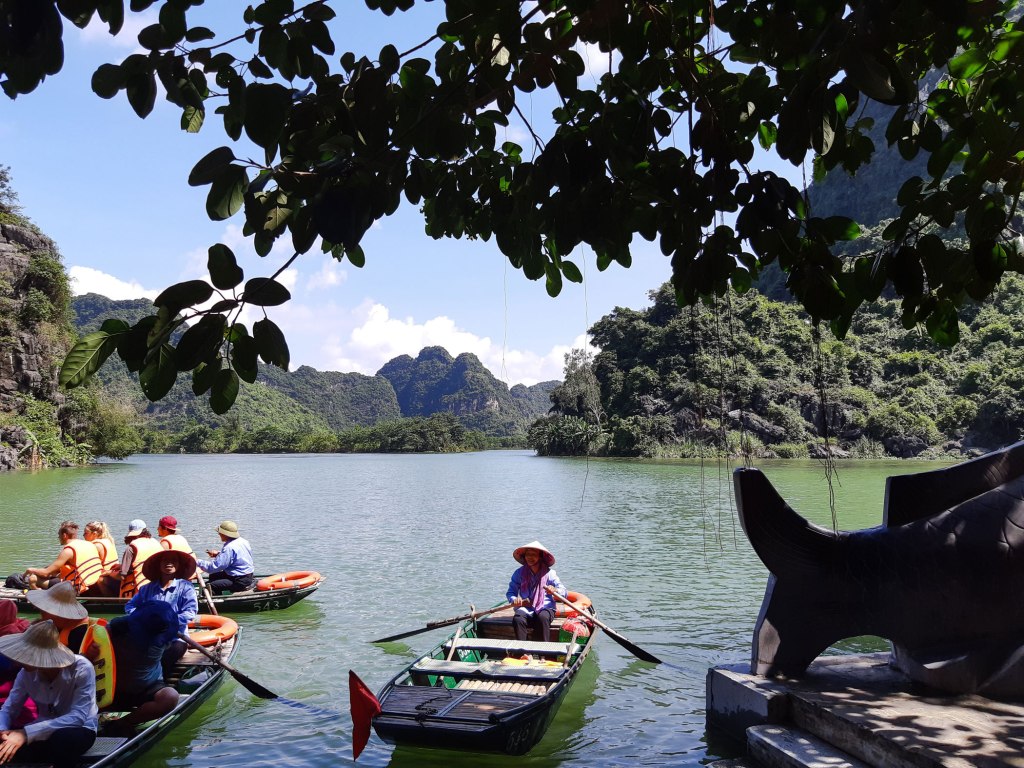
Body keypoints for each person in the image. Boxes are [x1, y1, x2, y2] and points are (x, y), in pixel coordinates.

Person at [0, 620, 98, 768]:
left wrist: (25, 734)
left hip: (79, 729)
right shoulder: (25, 673)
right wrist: (3, 730)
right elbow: (10, 707)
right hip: (39, 729)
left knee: (62, 740)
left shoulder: (82, 668)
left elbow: (78, 717)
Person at [103, 602, 180, 736]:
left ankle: (124, 721)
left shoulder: (165, 634)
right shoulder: (117, 627)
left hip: (147, 685)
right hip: (113, 687)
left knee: (170, 697)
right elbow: (100, 634)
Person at [125, 549, 198, 678]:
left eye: (173, 561)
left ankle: (160, 684)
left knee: (165, 656)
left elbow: (190, 612)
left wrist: (169, 622)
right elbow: (130, 606)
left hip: (176, 638)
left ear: (179, 565)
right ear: (158, 565)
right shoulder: (146, 589)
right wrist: (143, 619)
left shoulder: (186, 587)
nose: (169, 563)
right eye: (165, 561)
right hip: (149, 637)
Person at [506, 541, 567, 643]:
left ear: (540, 557)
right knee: (518, 619)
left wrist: (554, 590)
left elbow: (564, 592)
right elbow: (511, 592)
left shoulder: (550, 574)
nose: (530, 557)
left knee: (542, 618)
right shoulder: (519, 573)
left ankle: (543, 653)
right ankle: (523, 652)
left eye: (533, 554)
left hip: (545, 607)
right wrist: (514, 599)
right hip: (526, 607)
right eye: (528, 555)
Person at [22, 521, 103, 594]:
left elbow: (46, 572)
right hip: (94, 583)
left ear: (64, 535)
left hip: (79, 588)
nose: (58, 538)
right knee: (53, 575)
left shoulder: (68, 551)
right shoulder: (88, 544)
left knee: (33, 579)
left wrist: (31, 570)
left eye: (59, 535)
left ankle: (39, 596)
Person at [25, 583, 91, 653]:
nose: (42, 614)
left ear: (61, 613)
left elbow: (73, 660)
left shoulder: (78, 632)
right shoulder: (56, 623)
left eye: (44, 611)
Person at [196, 521, 254, 594]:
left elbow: (213, 567)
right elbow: (236, 556)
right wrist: (218, 554)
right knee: (213, 576)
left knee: (209, 586)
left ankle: (217, 601)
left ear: (224, 534)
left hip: (239, 580)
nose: (218, 534)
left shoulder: (229, 547)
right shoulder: (243, 541)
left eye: (219, 533)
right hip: (248, 576)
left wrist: (196, 561)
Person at [117, 520, 163, 599]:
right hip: (159, 586)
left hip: (140, 590)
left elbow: (122, 576)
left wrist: (109, 573)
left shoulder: (131, 548)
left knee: (104, 580)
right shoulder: (156, 542)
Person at [83, 521, 119, 597]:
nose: (83, 535)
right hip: (114, 576)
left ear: (94, 534)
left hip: (106, 578)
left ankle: (105, 601)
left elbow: (85, 564)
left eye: (86, 533)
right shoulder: (108, 541)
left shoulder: (96, 546)